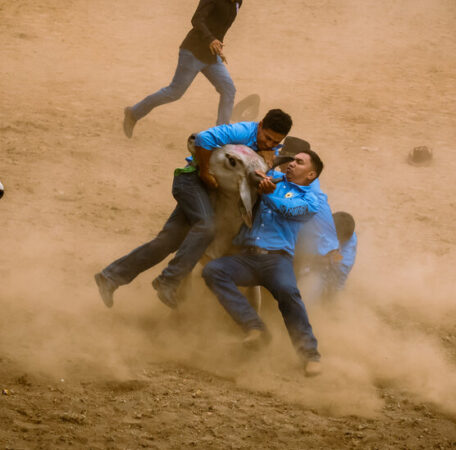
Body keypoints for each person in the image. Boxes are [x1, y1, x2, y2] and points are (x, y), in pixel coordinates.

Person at [95, 109, 292, 309]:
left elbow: (254, 176)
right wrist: (205, 172)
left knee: (166, 241)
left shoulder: (269, 151)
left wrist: (266, 176)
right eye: (267, 138)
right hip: (192, 182)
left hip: (215, 196)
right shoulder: (242, 131)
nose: (269, 144)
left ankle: (109, 277)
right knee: (206, 227)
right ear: (259, 125)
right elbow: (203, 138)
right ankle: (168, 281)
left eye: (276, 142)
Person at [202, 149, 326, 377]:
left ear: (311, 175)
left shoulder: (310, 199)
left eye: (299, 162)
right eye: (291, 160)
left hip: (276, 259)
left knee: (289, 294)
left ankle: (310, 355)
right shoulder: (272, 180)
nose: (291, 164)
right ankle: (255, 327)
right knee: (213, 271)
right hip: (247, 256)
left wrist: (267, 192)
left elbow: (289, 209)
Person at [123, 0, 243, 138]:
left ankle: (221, 135)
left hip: (211, 56)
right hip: (193, 52)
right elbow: (197, 19)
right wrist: (210, 39)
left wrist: (218, 46)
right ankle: (133, 113)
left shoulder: (238, 1)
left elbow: (221, 26)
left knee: (228, 90)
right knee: (174, 92)